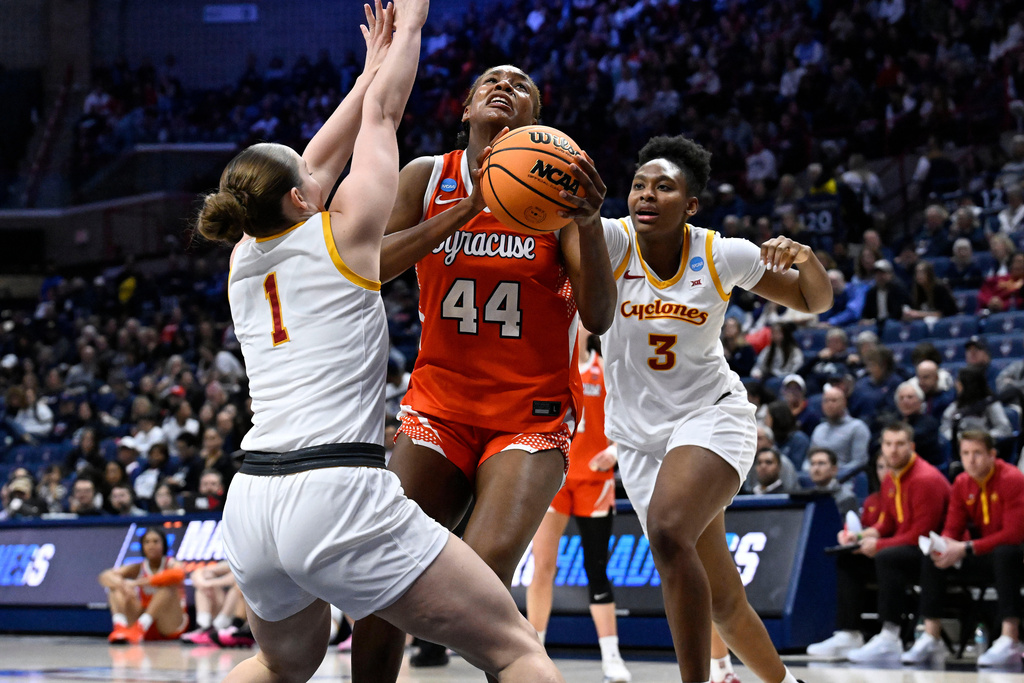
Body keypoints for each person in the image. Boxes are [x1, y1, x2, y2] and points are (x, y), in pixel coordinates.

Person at [197, 5, 562, 682]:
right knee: (514, 646)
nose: (319, 172)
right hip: (334, 488)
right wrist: (414, 25)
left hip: (251, 502)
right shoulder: (346, 231)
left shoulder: (244, 253)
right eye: (309, 177)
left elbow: (322, 151)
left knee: (281, 664)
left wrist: (370, 67)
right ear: (304, 199)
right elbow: (382, 118)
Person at [352, 60, 615, 681]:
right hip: (439, 405)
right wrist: (468, 207)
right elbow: (373, 265)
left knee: (481, 573)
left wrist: (586, 219)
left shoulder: (559, 197)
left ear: (536, 120)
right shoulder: (427, 175)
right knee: (381, 576)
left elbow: (599, 316)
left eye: (521, 85)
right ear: (467, 110)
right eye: (489, 83)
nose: (505, 87)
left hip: (530, 413)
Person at [595, 134, 831, 683]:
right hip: (638, 438)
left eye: (664, 187)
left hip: (711, 417)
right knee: (722, 597)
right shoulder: (609, 241)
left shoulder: (721, 253)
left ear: (691, 204)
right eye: (638, 185)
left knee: (669, 529)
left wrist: (806, 257)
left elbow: (814, 301)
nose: (646, 196)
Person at [525, 329, 631, 683]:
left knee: (597, 568)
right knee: (543, 566)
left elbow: (628, 420)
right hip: (557, 477)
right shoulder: (553, 367)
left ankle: (611, 656)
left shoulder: (608, 369)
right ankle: (534, 651)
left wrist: (615, 452)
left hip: (595, 481)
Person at [806, 423, 950, 662]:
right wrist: (859, 536)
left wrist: (879, 545)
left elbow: (921, 534)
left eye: (900, 444)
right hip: (905, 547)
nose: (893, 450)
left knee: (886, 557)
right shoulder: (891, 479)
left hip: (930, 553)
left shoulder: (926, 479)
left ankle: (890, 636)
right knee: (849, 556)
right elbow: (886, 524)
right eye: (888, 444)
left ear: (912, 447)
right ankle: (849, 633)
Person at [901, 431, 1024, 666]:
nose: (971, 459)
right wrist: (944, 545)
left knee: (1005, 552)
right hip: (982, 555)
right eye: (965, 453)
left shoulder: (1012, 478)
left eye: (977, 453)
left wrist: (966, 547)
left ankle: (1010, 637)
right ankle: (930, 634)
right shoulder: (961, 483)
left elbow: (1014, 534)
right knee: (933, 558)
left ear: (992, 455)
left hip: (1015, 555)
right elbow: (952, 528)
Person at [99, 527, 188, 644]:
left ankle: (142, 625)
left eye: (156, 541)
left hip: (169, 622)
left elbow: (178, 575)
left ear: (164, 544)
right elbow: (105, 576)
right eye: (147, 542)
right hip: (143, 623)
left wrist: (138, 582)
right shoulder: (138, 567)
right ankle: (120, 627)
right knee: (115, 588)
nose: (151, 545)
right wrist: (123, 585)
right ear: (142, 546)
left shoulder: (172, 563)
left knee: (167, 587)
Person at [806, 385, 870, 480]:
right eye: (826, 401)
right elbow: (808, 460)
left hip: (846, 481)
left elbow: (859, 462)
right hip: (818, 481)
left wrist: (831, 473)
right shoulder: (819, 429)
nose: (829, 404)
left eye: (834, 400)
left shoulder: (857, 427)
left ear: (844, 403)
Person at [805, 448, 858, 517]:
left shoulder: (846, 498)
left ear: (834, 469)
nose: (816, 469)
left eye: (821, 463)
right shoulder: (808, 496)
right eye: (812, 464)